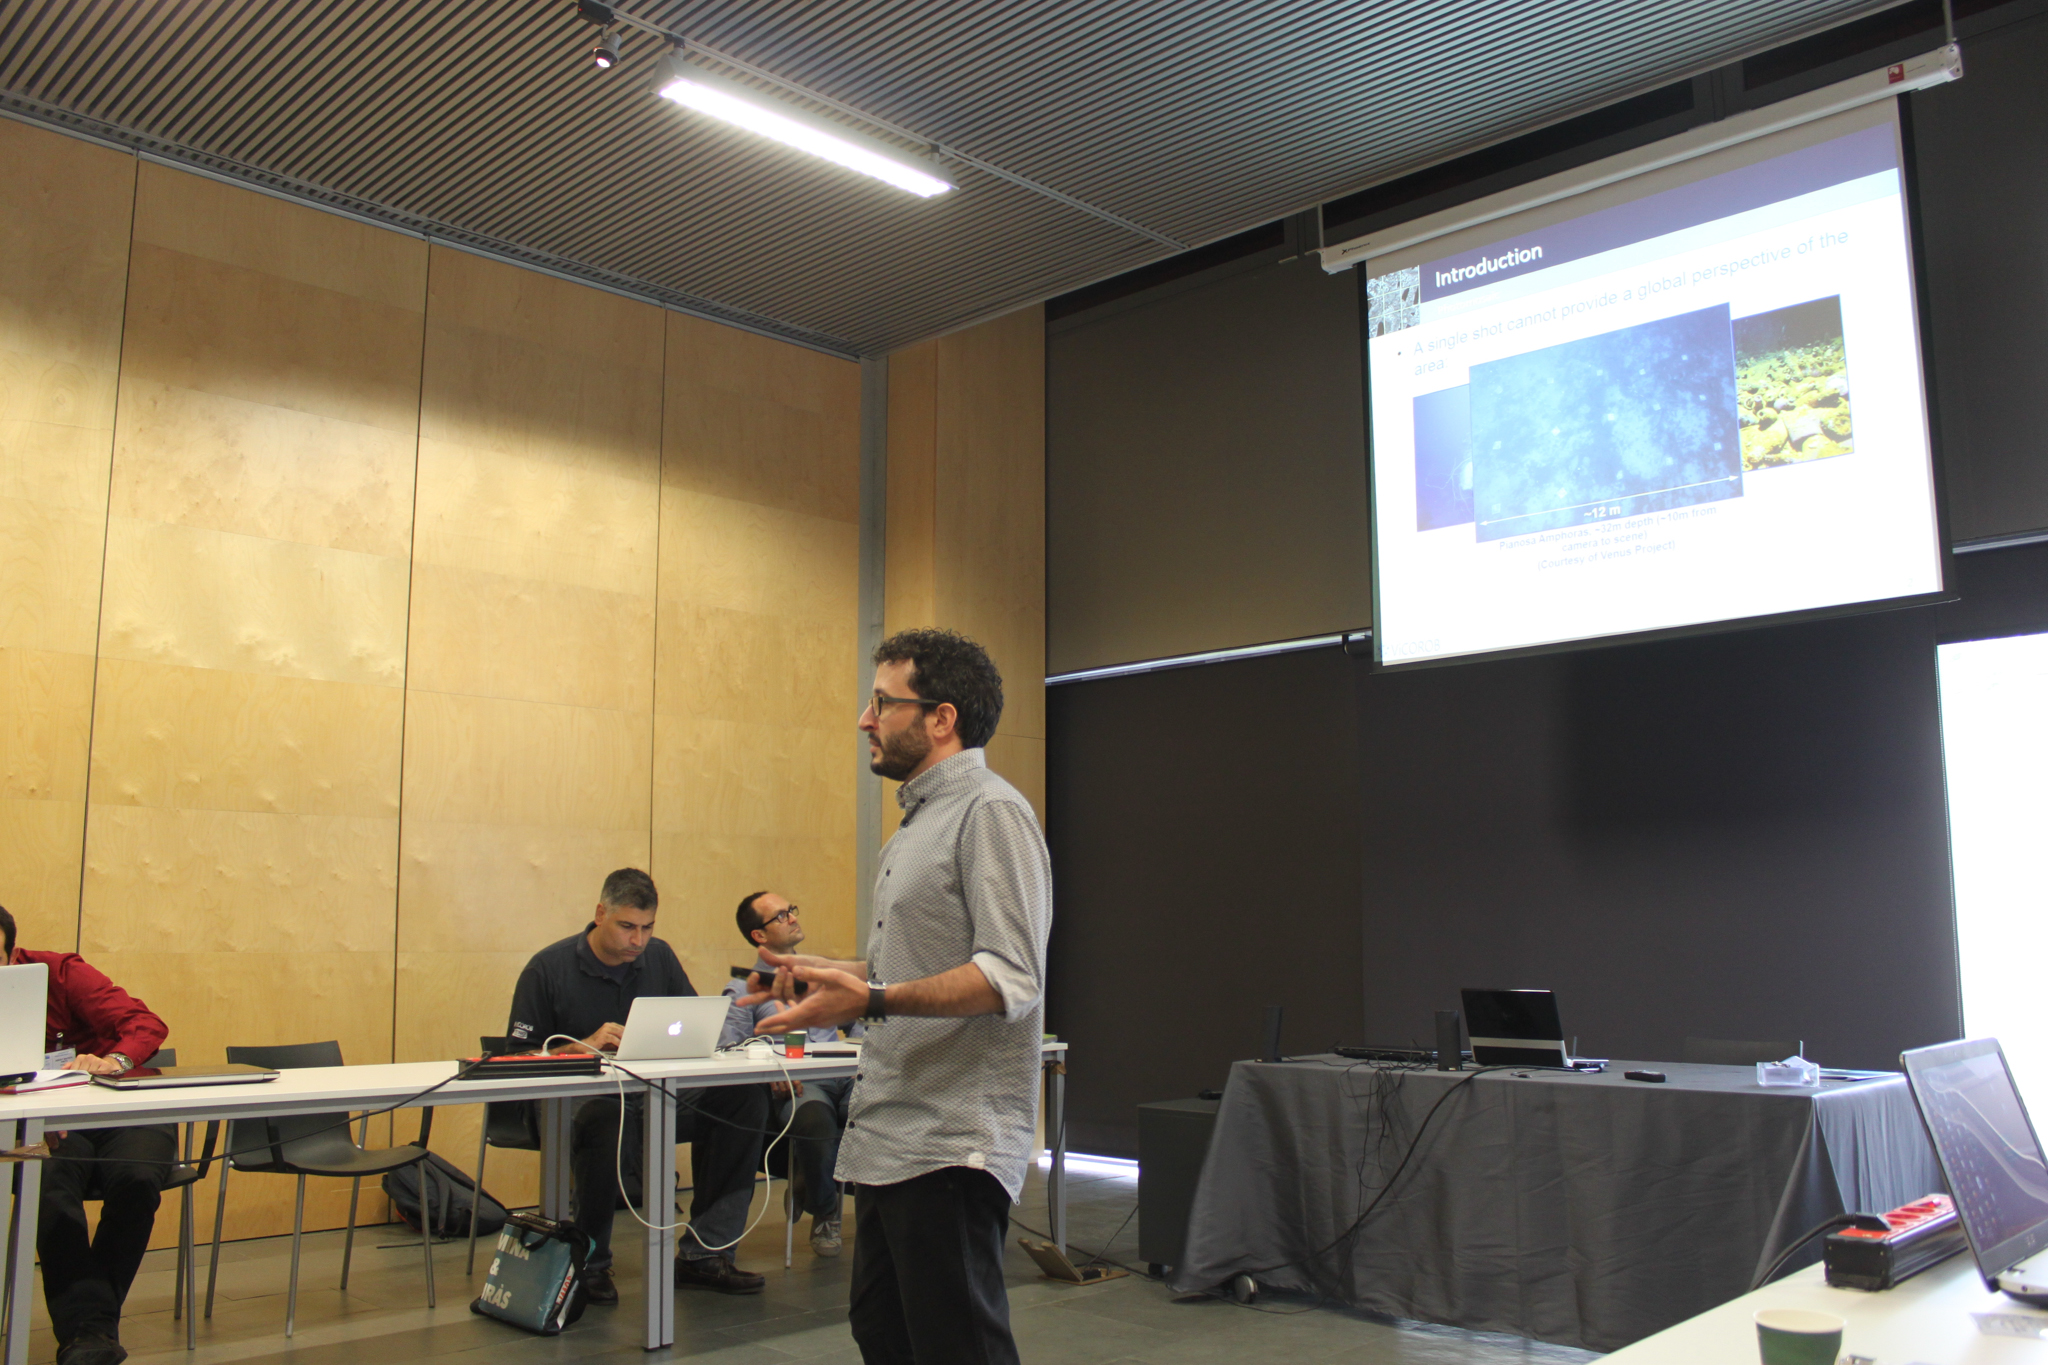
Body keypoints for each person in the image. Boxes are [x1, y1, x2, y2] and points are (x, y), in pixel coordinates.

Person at [746, 628, 1052, 1365]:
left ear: (942, 718)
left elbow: (1010, 975)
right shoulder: (917, 826)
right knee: (884, 1333)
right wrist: (834, 972)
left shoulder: (991, 812)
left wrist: (872, 998)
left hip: (951, 1140)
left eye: (883, 702)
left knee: (957, 1347)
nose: (865, 719)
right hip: (890, 1137)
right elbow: (906, 965)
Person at [505, 869, 770, 1301]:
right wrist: (581, 1047)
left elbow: (693, 1022)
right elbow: (517, 1059)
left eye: (647, 928)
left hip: (648, 1096)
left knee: (742, 1100)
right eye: (627, 926)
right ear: (600, 914)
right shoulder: (548, 968)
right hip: (568, 1102)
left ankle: (706, 1254)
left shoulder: (658, 957)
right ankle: (589, 1262)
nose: (638, 940)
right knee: (604, 1116)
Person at [3, 905, 173, 1365]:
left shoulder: (60, 973)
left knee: (139, 1177)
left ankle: (86, 1332)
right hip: (42, 1123)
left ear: (11, 953)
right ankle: (91, 1332)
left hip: (118, 1109)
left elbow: (146, 1023)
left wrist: (114, 1061)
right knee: (46, 1181)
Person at [719, 892, 862, 1257]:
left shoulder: (823, 978)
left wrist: (864, 1050)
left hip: (845, 1075)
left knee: (878, 1112)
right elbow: (729, 1048)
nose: (793, 918)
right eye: (781, 916)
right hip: (797, 1082)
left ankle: (809, 1181)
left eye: (791, 911)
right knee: (815, 1124)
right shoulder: (743, 987)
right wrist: (770, 1069)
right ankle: (825, 1209)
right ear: (759, 936)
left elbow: (859, 1021)